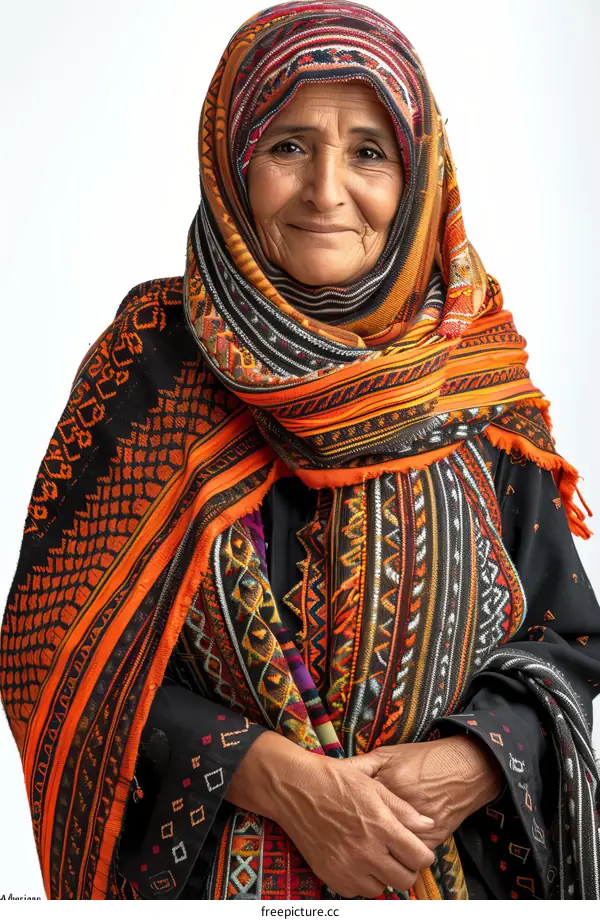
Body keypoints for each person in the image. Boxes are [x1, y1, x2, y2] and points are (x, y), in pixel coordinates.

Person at [1, 0, 599, 902]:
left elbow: (567, 639)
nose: (327, 190)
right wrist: (278, 778)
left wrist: (473, 761)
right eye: (288, 146)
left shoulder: (472, 373)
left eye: (369, 151)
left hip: (451, 875)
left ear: (419, 176)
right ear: (234, 161)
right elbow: (53, 644)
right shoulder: (152, 361)